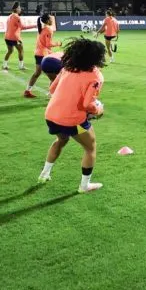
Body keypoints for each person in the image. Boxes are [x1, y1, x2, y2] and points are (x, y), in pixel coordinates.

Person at [39, 38, 106, 193]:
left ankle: (44, 174)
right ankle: (84, 186)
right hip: (72, 121)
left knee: (61, 140)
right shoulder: (96, 76)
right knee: (91, 148)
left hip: (51, 116)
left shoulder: (67, 68)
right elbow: (86, 104)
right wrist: (98, 110)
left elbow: (52, 89)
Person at [25, 14, 63, 98]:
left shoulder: (41, 28)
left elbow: (42, 43)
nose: (52, 20)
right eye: (50, 19)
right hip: (43, 55)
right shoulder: (48, 30)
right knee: (54, 77)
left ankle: (27, 91)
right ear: (47, 21)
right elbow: (48, 44)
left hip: (38, 53)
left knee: (37, 73)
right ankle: (52, 95)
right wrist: (58, 43)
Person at [2, 2, 35, 71]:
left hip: (7, 37)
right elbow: (23, 27)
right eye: (19, 8)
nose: (20, 9)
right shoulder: (17, 17)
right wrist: (34, 26)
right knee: (21, 51)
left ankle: (4, 65)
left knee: (10, 51)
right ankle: (21, 66)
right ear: (16, 9)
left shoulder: (10, 16)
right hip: (14, 38)